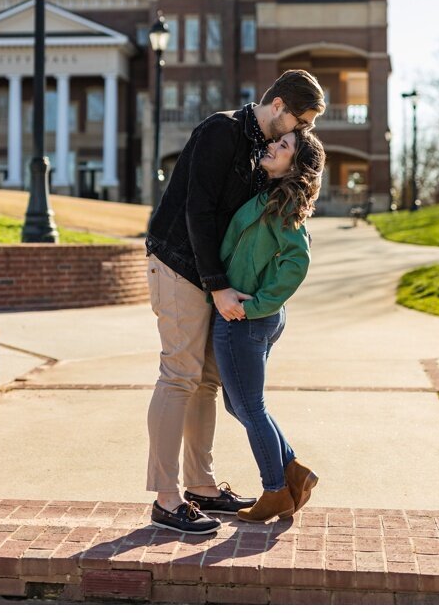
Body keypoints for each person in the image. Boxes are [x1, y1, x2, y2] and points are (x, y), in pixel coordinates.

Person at [145, 69, 325, 535]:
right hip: (182, 265)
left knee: (206, 382)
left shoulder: (257, 150)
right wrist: (218, 284)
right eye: (299, 123)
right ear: (280, 106)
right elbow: (198, 209)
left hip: (213, 280)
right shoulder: (221, 130)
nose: (300, 133)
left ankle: (200, 486)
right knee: (179, 375)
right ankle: (166, 499)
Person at [214, 130, 326, 523]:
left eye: (284, 147)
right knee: (238, 402)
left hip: (247, 317)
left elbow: (297, 261)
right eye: (276, 142)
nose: (273, 147)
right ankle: (293, 469)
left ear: (296, 165)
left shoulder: (284, 202)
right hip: (252, 315)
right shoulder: (268, 195)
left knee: (249, 405)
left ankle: (276, 490)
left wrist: (257, 304)